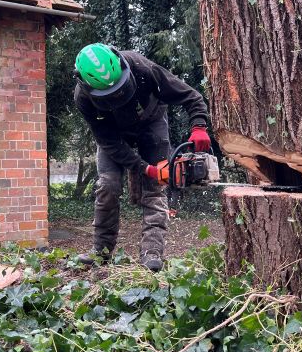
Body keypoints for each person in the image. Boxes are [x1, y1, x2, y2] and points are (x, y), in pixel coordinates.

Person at [73, 43, 210, 271]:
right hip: (115, 136)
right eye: (109, 94)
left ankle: (152, 251)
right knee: (107, 185)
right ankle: (101, 251)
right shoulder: (83, 99)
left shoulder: (143, 68)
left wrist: (198, 126)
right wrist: (145, 167)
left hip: (151, 123)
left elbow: (191, 96)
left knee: (155, 187)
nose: (117, 95)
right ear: (86, 86)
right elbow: (108, 142)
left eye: (120, 88)